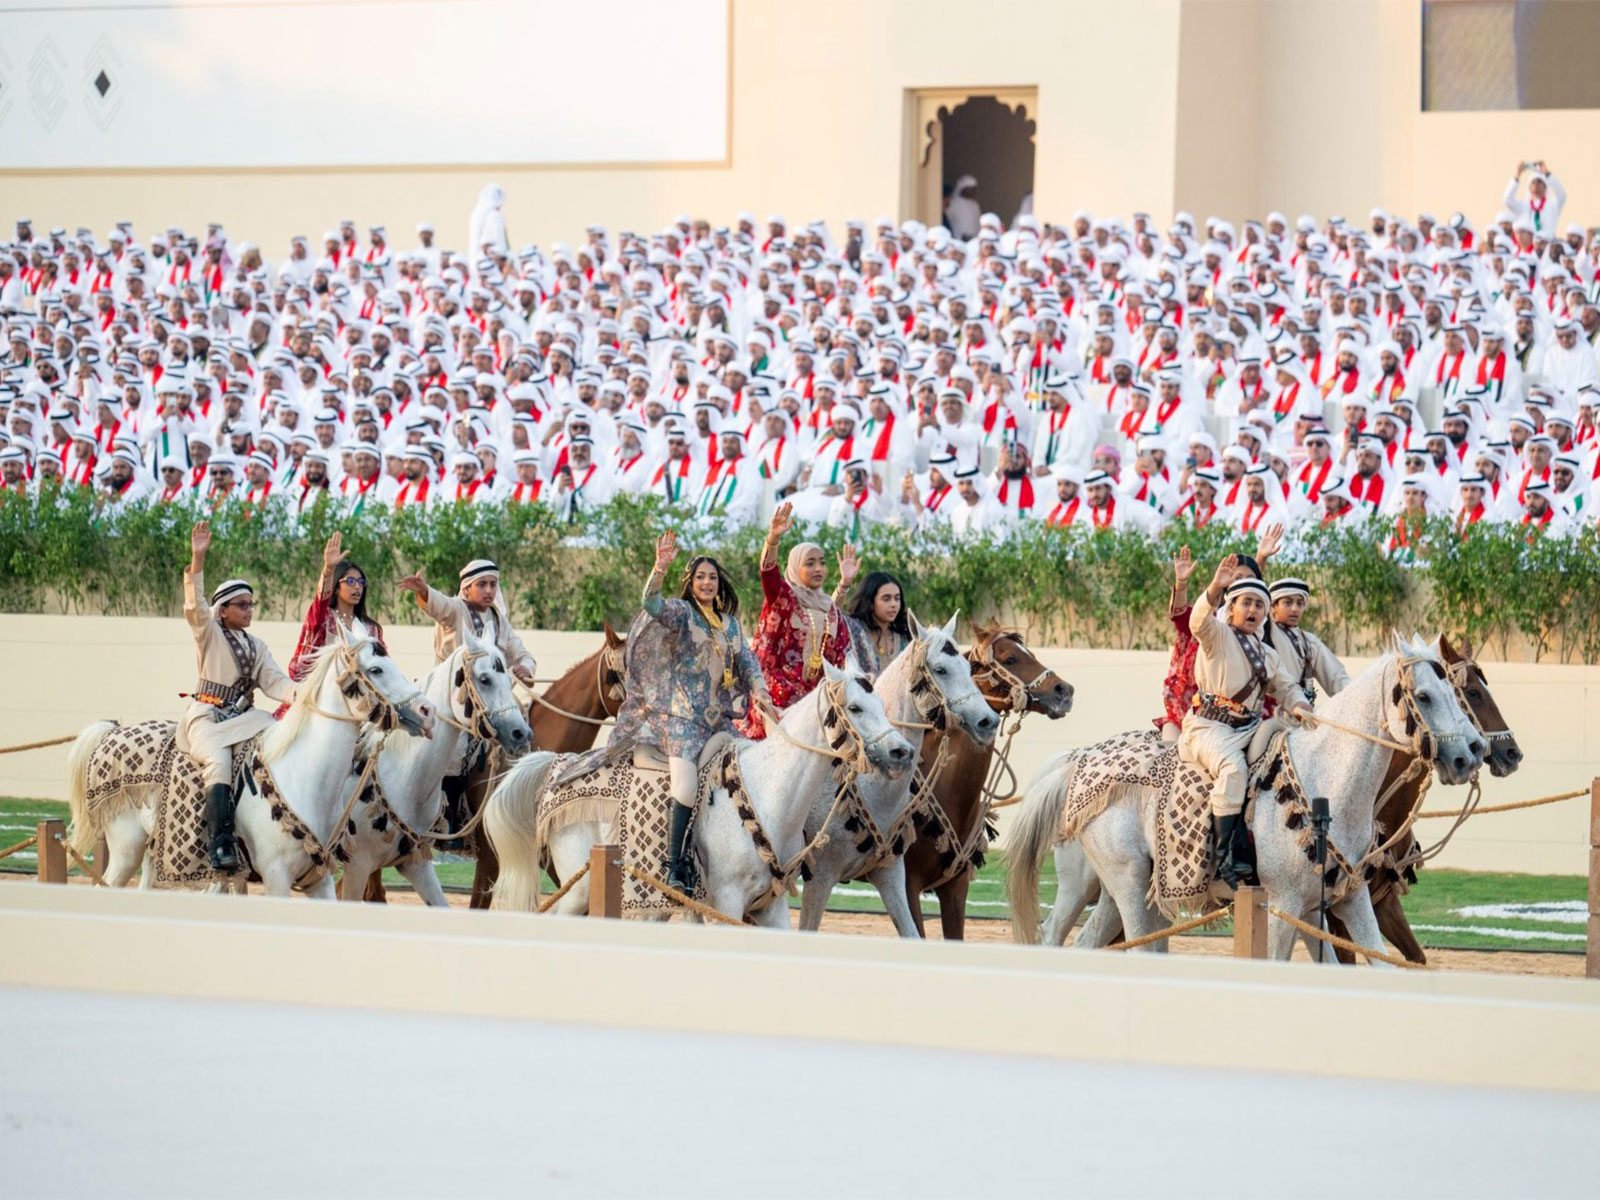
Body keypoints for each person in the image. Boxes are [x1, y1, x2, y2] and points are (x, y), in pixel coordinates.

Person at [619, 528, 773, 892]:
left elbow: (747, 661)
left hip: (719, 721)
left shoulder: (731, 624)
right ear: (691, 582)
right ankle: (675, 866)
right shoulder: (680, 613)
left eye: (713, 578)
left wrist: (760, 690)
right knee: (686, 786)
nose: (707, 582)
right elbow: (650, 604)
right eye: (701, 577)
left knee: (748, 773)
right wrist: (659, 569)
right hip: (682, 719)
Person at [1179, 553, 1310, 888]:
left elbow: (1285, 685)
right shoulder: (1217, 635)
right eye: (1246, 603)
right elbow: (1196, 622)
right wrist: (1213, 588)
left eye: (1259, 606)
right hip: (1210, 728)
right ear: (1232, 607)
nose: (1253, 611)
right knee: (1234, 770)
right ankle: (1224, 859)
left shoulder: (1268, 654)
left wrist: (1299, 705)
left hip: (1249, 728)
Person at [178, 520, 296, 871]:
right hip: (207, 719)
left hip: (246, 720)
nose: (249, 610)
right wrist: (197, 560)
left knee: (279, 740)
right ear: (223, 610)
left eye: (251, 604)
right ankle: (220, 844)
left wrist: (310, 694)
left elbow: (276, 683)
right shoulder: (209, 632)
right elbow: (195, 607)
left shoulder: (256, 646)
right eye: (242, 605)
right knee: (220, 763)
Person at [1154, 525, 1281, 741]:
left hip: (1246, 718)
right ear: (1224, 579)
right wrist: (1182, 583)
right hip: (1197, 712)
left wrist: (1261, 558)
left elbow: (1250, 592)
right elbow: (1182, 616)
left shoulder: (1259, 628)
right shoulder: (1207, 619)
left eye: (1248, 578)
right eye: (1236, 577)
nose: (1241, 582)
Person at [749, 501, 858, 720]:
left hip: (820, 697)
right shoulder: (784, 598)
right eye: (809, 563)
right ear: (795, 568)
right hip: (779, 696)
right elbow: (768, 573)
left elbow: (840, 647)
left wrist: (844, 583)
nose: (818, 569)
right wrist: (773, 539)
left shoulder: (828, 608)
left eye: (822, 563)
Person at [278, 532, 386, 717]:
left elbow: (383, 666)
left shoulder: (371, 628)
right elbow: (319, 603)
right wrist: (328, 571)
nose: (358, 587)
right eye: (350, 581)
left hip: (361, 706)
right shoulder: (323, 618)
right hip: (316, 702)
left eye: (361, 582)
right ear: (336, 586)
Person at [1264, 578, 1350, 709]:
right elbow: (1255, 594)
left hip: (1303, 715)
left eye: (1300, 603)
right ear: (1273, 607)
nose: (1294, 609)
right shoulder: (1266, 631)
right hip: (1271, 716)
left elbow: (1337, 678)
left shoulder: (1310, 641)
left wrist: (1355, 698)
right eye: (1287, 603)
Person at [842, 570, 913, 677]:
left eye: (897, 598)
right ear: (870, 602)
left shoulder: (904, 638)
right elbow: (831, 617)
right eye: (886, 599)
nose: (894, 604)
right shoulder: (855, 631)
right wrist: (844, 584)